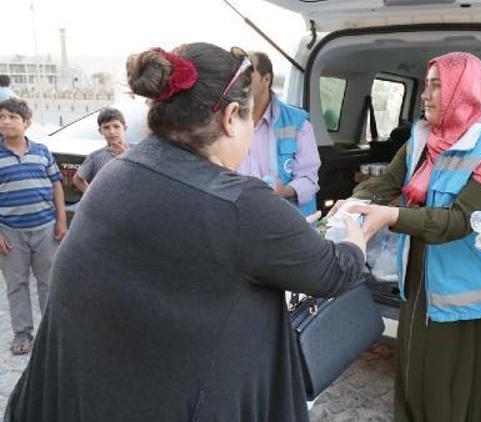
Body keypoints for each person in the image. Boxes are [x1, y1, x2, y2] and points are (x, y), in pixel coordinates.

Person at [4, 43, 366, 422]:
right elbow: (334, 271)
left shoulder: (117, 171)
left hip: (73, 398)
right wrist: (355, 230)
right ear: (230, 117)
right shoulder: (240, 203)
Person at [331, 52, 481, 422]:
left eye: (438, 85)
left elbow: (461, 221)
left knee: (453, 387)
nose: (426, 94)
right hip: (419, 279)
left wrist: (391, 215)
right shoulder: (421, 140)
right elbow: (385, 184)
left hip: (467, 293)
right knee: (415, 371)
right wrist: (348, 206)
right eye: (427, 84)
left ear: (464, 91)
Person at [0, 98, 67, 355]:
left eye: (12, 117)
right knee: (16, 284)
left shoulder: (42, 151)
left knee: (49, 282)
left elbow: (56, 185)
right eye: (2, 117)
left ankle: (51, 333)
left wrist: (61, 222)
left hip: (45, 228)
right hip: (10, 233)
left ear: (26, 123)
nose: (5, 121)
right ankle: (22, 334)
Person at [237, 51, 321, 216]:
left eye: (249, 73)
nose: (241, 80)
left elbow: (309, 180)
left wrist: (283, 191)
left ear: (266, 79)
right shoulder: (228, 119)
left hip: (285, 220)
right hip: (241, 217)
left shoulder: (297, 123)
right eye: (239, 73)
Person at [72, 107, 129, 193]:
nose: (112, 132)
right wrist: (92, 195)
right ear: (100, 131)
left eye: (116, 126)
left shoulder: (136, 151)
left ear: (124, 128)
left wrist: (125, 156)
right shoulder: (96, 156)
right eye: (106, 127)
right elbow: (77, 179)